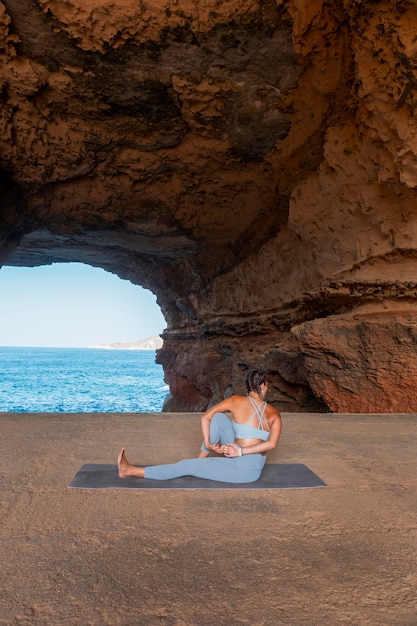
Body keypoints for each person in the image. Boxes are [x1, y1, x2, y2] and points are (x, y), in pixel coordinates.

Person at [117, 369, 283, 484]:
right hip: (251, 462)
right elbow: (272, 444)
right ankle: (200, 460)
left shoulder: (235, 400)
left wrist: (236, 450)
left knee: (186, 466)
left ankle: (130, 471)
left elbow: (205, 417)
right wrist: (211, 444)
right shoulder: (274, 413)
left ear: (248, 386)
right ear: (263, 386)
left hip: (244, 471)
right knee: (219, 418)